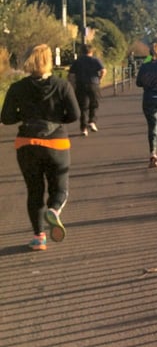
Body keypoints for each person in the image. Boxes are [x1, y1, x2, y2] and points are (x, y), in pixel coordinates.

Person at [1, 44, 80, 250]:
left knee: (34, 191)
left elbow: (6, 118)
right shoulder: (62, 86)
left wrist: (25, 116)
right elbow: (75, 114)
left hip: (27, 144)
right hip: (56, 143)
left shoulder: (17, 88)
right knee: (60, 189)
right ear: (49, 61)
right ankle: (54, 210)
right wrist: (58, 119)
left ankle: (39, 237)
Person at [68, 43, 106, 136]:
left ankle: (83, 128)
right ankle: (92, 121)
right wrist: (100, 79)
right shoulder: (95, 60)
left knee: (83, 106)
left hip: (81, 85)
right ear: (91, 51)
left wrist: (73, 85)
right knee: (94, 104)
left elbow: (71, 75)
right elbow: (103, 70)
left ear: (81, 51)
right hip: (93, 84)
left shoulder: (77, 61)